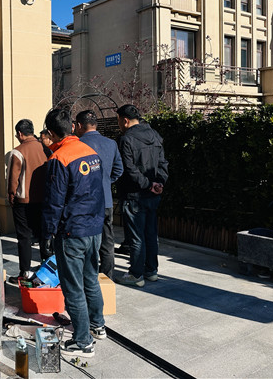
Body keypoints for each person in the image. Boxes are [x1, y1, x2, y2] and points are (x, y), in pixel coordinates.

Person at [41, 108, 106, 358]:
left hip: (72, 231)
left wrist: (48, 234)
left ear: (50, 132)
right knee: (91, 279)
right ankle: (97, 325)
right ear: (71, 126)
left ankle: (83, 341)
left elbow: (54, 202)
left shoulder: (59, 158)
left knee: (73, 287)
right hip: (94, 228)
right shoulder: (90, 153)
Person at [114, 104, 169, 287]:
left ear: (125, 120)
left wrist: (148, 184)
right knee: (151, 234)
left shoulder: (126, 139)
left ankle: (136, 274)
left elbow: (128, 169)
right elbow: (163, 163)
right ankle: (151, 271)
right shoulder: (154, 134)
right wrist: (158, 182)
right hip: (152, 194)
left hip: (134, 195)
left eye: (118, 121)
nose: (119, 124)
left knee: (136, 237)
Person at [74, 110, 123, 278]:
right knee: (107, 240)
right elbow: (119, 169)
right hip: (106, 200)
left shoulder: (77, 145)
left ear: (79, 125)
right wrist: (106, 181)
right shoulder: (111, 144)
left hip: (85, 202)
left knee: (87, 241)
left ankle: (89, 275)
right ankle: (107, 275)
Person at [7, 119, 49, 282]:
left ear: (19, 134)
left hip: (23, 202)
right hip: (44, 200)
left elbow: (13, 179)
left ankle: (25, 272)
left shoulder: (17, 152)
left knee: (24, 238)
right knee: (43, 235)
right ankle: (47, 271)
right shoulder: (45, 149)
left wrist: (11, 196)